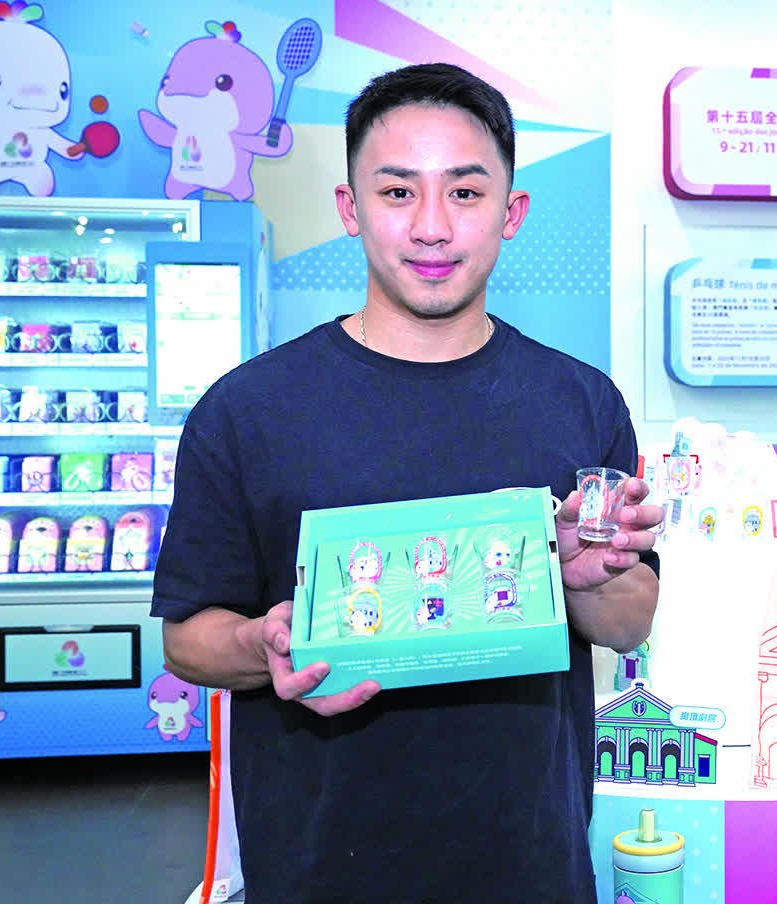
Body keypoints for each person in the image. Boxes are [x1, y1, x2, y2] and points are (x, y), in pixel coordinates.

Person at [153, 63, 662, 903]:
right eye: (397, 192)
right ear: (350, 208)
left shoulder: (579, 402)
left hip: (529, 861)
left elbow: (629, 622)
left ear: (511, 212)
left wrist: (583, 578)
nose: (432, 226)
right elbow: (186, 637)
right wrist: (259, 645)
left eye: (465, 193)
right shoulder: (247, 411)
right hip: (317, 866)